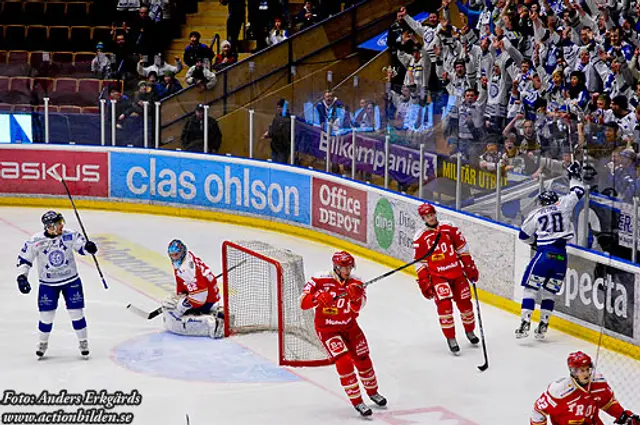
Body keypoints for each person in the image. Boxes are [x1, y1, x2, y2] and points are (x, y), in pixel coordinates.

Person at [300, 251, 387, 417]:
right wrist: (317, 297)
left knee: (363, 359)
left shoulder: (357, 282)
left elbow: (358, 308)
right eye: (343, 268)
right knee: (344, 362)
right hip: (327, 329)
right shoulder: (320, 279)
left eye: (349, 267)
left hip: (350, 327)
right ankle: (357, 401)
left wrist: (355, 297)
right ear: (335, 267)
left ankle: (373, 392)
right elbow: (303, 302)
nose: (347, 271)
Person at [16, 211, 98, 359]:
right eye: (58, 223)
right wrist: (22, 277)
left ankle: (83, 342)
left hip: (71, 281)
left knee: (77, 313)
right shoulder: (36, 241)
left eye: (62, 222)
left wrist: (89, 247)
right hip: (48, 284)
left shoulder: (69, 235)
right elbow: (24, 259)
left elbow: (81, 247)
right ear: (50, 226)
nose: (62, 225)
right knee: (46, 317)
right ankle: (42, 342)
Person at [516, 162, 585, 339]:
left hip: (544, 254)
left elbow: (523, 235)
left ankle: (525, 323)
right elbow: (578, 192)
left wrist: (535, 242)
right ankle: (543, 326)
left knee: (531, 288)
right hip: (561, 257)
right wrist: (574, 176)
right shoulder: (563, 205)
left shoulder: (536, 213)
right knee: (549, 292)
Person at [413, 203, 479, 354]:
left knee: (465, 305)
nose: (430, 218)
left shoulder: (449, 227)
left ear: (435, 213)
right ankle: (451, 338)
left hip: (457, 274)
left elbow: (462, 248)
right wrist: (424, 281)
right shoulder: (420, 236)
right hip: (438, 277)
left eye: (431, 215)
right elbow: (420, 263)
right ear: (423, 218)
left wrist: (469, 267)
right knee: (445, 307)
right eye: (426, 216)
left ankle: (470, 331)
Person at [531, 351, 639, 425]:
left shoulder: (598, 383)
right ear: (573, 372)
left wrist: (622, 415)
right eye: (582, 370)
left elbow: (607, 402)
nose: (586, 373)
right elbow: (538, 412)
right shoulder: (560, 391)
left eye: (587, 369)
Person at [162, 239, 224, 339]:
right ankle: (215, 309)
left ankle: (213, 324)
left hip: (207, 298)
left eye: (176, 254)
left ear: (182, 252)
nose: (173, 258)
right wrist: (181, 294)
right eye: (171, 255)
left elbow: (200, 297)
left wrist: (181, 307)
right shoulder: (186, 257)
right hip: (209, 292)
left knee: (175, 313)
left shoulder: (186, 270)